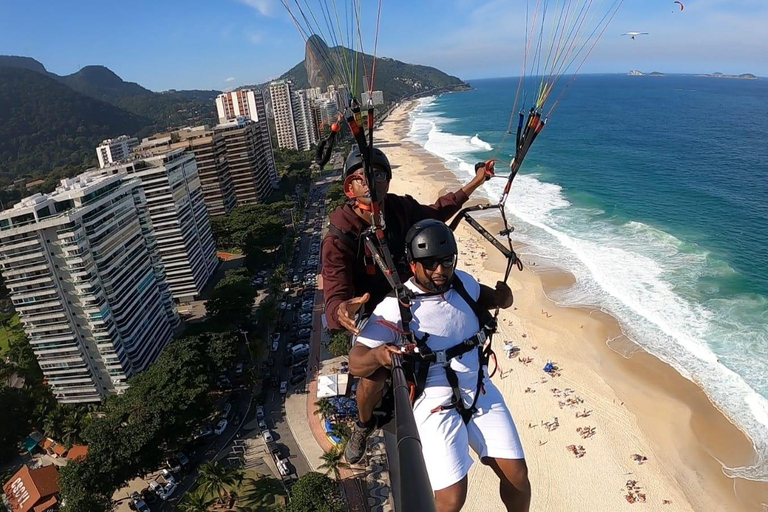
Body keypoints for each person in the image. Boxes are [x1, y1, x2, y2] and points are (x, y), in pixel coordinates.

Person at [321, 147, 494, 463]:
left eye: (377, 174)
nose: (371, 182)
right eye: (362, 177)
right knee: (373, 375)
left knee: (465, 303)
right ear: (350, 187)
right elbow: (334, 289)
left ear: (387, 179)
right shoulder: (341, 234)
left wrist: (475, 183)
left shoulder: (399, 209)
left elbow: (436, 212)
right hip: (375, 315)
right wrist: (340, 310)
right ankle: (363, 425)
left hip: (414, 299)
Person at [349, 220, 530, 512]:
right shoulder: (396, 307)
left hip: (480, 390)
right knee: (451, 500)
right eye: (430, 263)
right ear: (412, 265)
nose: (440, 270)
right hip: (434, 402)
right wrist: (380, 355)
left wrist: (503, 298)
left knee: (518, 479)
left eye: (446, 261)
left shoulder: (462, 283)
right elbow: (356, 363)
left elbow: (489, 297)